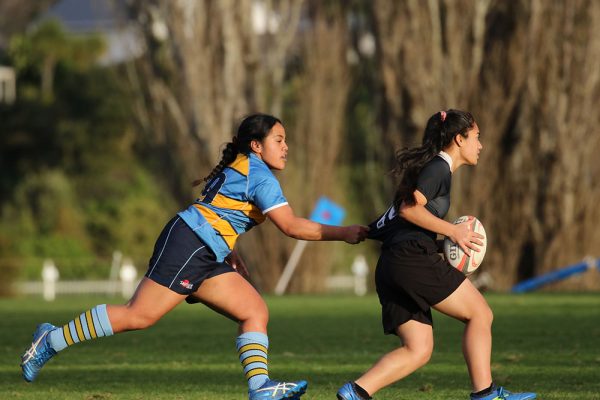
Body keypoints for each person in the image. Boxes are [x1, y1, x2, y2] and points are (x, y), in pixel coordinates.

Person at [21, 113, 369, 400]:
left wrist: (228, 250)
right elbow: (291, 226)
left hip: (204, 248)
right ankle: (48, 340)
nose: (286, 147)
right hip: (190, 244)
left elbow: (218, 208)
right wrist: (344, 233)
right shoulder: (259, 176)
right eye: (279, 140)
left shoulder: (246, 165)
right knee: (138, 316)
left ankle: (260, 388)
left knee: (253, 310)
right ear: (256, 146)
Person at [336, 110, 536, 400]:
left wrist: (442, 244)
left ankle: (355, 392)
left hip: (392, 265)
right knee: (480, 313)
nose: (480, 145)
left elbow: (395, 219)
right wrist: (452, 233)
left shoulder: (429, 169)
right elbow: (408, 209)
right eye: (477, 138)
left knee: (418, 349)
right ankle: (486, 394)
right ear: (459, 139)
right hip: (411, 259)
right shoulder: (439, 168)